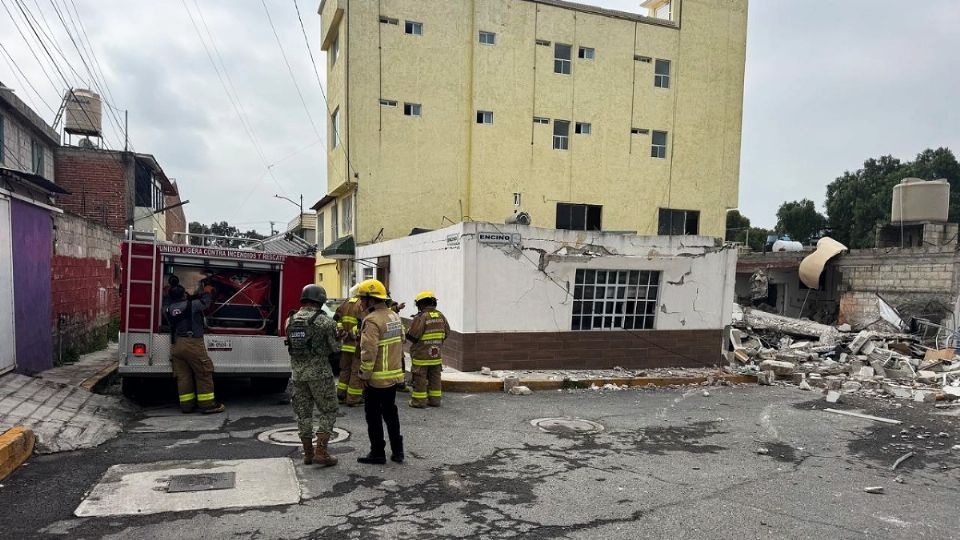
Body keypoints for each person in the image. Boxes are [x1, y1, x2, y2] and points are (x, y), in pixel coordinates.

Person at [285, 284, 340, 466]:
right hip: (320, 375)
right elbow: (335, 348)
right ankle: (321, 452)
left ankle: (308, 453)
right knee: (328, 410)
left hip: (297, 375)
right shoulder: (325, 322)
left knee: (303, 414)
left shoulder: (290, 320)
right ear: (321, 300)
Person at [355, 278, 405, 465]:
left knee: (373, 416)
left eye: (362, 298)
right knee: (391, 414)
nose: (360, 302)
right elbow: (401, 340)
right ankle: (398, 452)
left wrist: (364, 375)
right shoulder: (394, 316)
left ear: (371, 299)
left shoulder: (371, 320)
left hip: (376, 379)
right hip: (393, 376)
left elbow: (369, 351)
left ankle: (377, 453)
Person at [164, 280, 225, 414]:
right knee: (203, 372)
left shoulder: (168, 308)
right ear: (184, 295)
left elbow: (168, 302)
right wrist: (207, 291)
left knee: (183, 376)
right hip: (192, 344)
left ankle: (187, 406)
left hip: (176, 345)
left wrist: (168, 293)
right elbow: (206, 303)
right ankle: (207, 405)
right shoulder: (192, 305)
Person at [406, 291, 450, 408]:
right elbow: (447, 332)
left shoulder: (421, 317)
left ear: (421, 304)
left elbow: (412, 336)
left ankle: (418, 401)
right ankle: (435, 400)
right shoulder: (441, 316)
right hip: (436, 356)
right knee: (435, 378)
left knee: (419, 379)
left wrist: (408, 330)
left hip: (421, 356)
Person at [333, 285, 364, 406]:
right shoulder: (361, 304)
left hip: (345, 345)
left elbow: (336, 319)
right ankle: (353, 399)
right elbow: (363, 324)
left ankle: (341, 396)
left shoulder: (345, 303)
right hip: (356, 345)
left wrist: (342, 332)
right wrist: (351, 333)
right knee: (355, 372)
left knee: (345, 370)